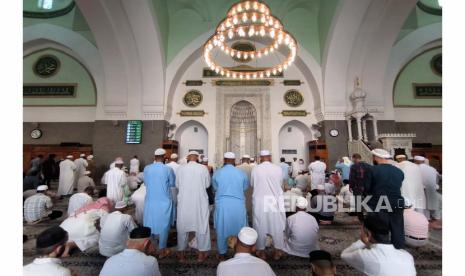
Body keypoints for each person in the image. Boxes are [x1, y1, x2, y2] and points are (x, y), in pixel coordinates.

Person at [341, 213, 416, 275]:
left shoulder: (366, 256)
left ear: (368, 234)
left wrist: (362, 241)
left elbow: (344, 255)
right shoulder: (407, 256)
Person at [365, 149, 406, 249]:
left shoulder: (372, 170)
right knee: (397, 228)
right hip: (398, 202)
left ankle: (382, 251)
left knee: (380, 229)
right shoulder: (398, 171)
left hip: (379, 202)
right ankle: (399, 250)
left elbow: (367, 188)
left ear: (377, 157)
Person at [212, 152, 249, 259]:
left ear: (224, 160)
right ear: (234, 161)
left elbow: (215, 188)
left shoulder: (218, 172)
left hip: (223, 204)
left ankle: (222, 253)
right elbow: (244, 187)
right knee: (240, 227)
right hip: (238, 204)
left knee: (222, 228)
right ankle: (240, 251)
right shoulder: (241, 173)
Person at [176, 151, 211, 262]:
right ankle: (201, 255)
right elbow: (207, 185)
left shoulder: (181, 169)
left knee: (182, 228)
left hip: (184, 203)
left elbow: (177, 185)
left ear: (188, 157)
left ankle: (181, 256)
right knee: (202, 226)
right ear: (197, 158)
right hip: (199, 202)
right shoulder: (203, 168)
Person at [251, 150, 286, 260]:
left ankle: (261, 252)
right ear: (270, 157)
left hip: (260, 200)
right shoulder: (277, 168)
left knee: (260, 225)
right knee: (276, 225)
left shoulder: (256, 169)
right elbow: (280, 183)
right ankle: (277, 251)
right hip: (273, 200)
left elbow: (252, 184)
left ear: (260, 158)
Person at [143, 148, 176, 259]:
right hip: (164, 201)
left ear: (154, 157)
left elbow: (146, 183)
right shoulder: (168, 169)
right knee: (164, 225)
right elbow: (172, 184)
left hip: (150, 200)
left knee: (149, 223)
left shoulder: (147, 168)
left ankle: (151, 248)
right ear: (165, 157)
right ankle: (162, 250)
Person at [414, 156, 442, 226]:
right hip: (432, 188)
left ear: (416, 161)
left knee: (423, 205)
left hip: (420, 190)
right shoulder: (432, 168)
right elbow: (438, 178)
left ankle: (426, 219)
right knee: (433, 204)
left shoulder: (416, 168)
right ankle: (436, 219)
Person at [349, 153, 372, 221]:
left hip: (357, 187)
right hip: (367, 187)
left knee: (358, 203)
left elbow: (352, 178)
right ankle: (370, 217)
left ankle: (361, 219)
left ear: (354, 158)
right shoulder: (368, 166)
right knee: (368, 202)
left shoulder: (353, 166)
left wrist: (351, 186)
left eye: (352, 158)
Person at [237, 154, 254, 224]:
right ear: (249, 161)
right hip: (250, 191)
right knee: (250, 208)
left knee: (241, 209)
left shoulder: (237, 168)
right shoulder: (253, 168)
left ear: (242, 160)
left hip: (240, 191)